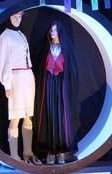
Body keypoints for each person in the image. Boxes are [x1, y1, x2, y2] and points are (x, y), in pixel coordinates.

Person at [0, 11, 40, 164]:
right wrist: (7, 85)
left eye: (20, 17)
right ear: (8, 17)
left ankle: (28, 152)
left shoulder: (21, 34)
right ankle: (14, 156)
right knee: (16, 116)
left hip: (27, 77)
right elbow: (3, 61)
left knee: (28, 115)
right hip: (15, 78)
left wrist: (31, 74)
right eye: (14, 16)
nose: (17, 19)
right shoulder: (5, 36)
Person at [35, 20, 79, 165]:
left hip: (62, 87)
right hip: (48, 86)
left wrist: (66, 86)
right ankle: (49, 152)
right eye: (51, 30)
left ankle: (61, 152)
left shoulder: (67, 49)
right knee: (49, 115)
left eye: (54, 30)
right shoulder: (46, 49)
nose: (52, 33)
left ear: (60, 31)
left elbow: (72, 71)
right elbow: (41, 69)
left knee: (61, 117)